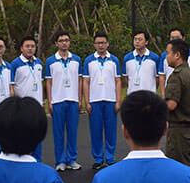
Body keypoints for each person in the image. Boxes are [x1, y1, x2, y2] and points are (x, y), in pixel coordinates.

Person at [82, 31, 122, 169]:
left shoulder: (114, 60)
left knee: (111, 131)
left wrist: (118, 101)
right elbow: (85, 81)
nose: (101, 45)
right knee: (96, 131)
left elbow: (118, 81)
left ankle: (110, 157)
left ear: (107, 44)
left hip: (110, 100)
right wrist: (87, 102)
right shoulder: (89, 60)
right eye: (98, 43)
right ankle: (98, 158)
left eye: (103, 43)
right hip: (95, 100)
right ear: (94, 44)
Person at [163, 38, 190, 169]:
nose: (166, 57)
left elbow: (171, 104)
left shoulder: (176, 76)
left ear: (177, 55)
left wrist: (154, 106)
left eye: (168, 53)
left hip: (179, 133)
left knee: (177, 172)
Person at [45, 31, 82, 172]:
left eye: (66, 40)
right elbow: (48, 82)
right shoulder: (50, 61)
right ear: (56, 43)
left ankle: (72, 159)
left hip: (73, 100)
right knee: (58, 133)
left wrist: (80, 99)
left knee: (72, 132)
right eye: (61, 41)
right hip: (57, 100)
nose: (64, 43)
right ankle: (60, 160)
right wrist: (50, 101)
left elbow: (79, 80)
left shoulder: (76, 60)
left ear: (69, 42)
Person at [11, 36, 46, 161]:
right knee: (23, 136)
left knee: (37, 135)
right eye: (27, 46)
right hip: (22, 107)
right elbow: (11, 86)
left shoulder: (39, 63)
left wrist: (42, 102)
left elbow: (40, 83)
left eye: (32, 46)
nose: (30, 49)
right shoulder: (15, 64)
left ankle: (36, 162)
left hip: (37, 106)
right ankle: (23, 162)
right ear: (21, 48)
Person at [160, 28, 190, 92]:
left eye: (177, 37)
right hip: (170, 90)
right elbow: (162, 75)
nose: (174, 40)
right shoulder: (164, 55)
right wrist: (163, 93)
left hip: (188, 90)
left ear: (183, 38)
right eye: (172, 37)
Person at [123, 30, 161, 95]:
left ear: (146, 42)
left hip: (149, 95)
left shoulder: (155, 58)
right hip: (132, 96)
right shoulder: (127, 58)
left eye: (140, 39)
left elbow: (157, 78)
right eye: (135, 39)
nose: (137, 41)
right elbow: (125, 77)